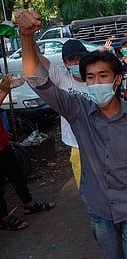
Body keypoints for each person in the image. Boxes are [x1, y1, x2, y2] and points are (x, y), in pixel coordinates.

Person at [17, 8, 127, 259]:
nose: (95, 82)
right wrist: (26, 37)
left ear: (117, 79)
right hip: (98, 207)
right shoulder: (76, 110)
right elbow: (37, 78)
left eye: (102, 76)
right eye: (90, 77)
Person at [0, 74, 55, 231]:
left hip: (3, 143)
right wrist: (4, 91)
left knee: (17, 174)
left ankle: (29, 204)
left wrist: (7, 87)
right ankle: (3, 218)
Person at [40, 39, 90, 188]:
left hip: (100, 142)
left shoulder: (97, 79)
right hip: (77, 146)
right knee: (87, 190)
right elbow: (36, 58)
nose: (76, 63)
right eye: (72, 60)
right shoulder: (62, 78)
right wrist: (27, 36)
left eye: (80, 58)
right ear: (65, 63)